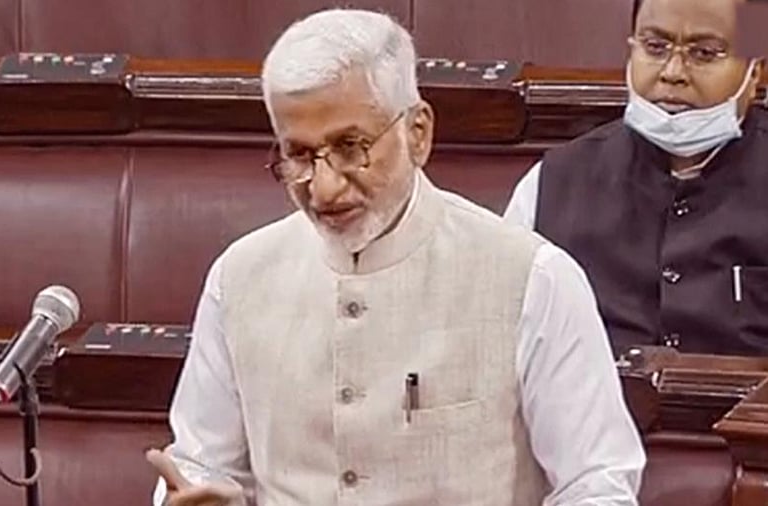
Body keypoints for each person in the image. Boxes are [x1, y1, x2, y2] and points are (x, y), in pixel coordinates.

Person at [147, 8, 645, 506]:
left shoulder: (534, 279)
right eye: (298, 155)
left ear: (418, 132)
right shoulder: (239, 278)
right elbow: (198, 466)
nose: (324, 187)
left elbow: (597, 486)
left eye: (351, 146)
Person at [504, 0, 767, 356]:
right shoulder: (553, 183)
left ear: (754, 72)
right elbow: (501, 341)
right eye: (655, 48)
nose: (673, 72)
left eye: (704, 53)